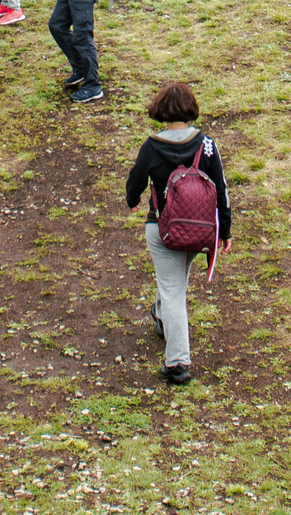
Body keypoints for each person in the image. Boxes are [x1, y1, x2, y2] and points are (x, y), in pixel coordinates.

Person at [124, 81, 233, 387]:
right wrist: (224, 231)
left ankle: (178, 363)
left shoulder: (152, 146)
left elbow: (135, 183)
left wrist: (132, 201)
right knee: (174, 282)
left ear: (160, 110)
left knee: (173, 290)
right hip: (200, 230)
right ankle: (161, 315)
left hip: (162, 228)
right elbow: (221, 189)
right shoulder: (207, 144)